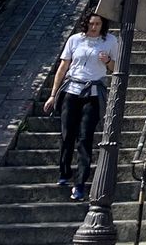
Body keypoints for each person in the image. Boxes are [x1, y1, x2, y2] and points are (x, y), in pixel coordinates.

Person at [43, 11, 119, 201]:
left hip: (93, 93)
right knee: (67, 134)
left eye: (98, 24)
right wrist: (53, 95)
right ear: (86, 24)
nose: (94, 27)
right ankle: (64, 172)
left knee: (85, 137)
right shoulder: (75, 40)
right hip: (72, 90)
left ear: (103, 25)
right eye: (91, 23)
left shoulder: (110, 41)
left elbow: (116, 68)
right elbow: (63, 67)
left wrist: (107, 61)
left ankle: (80, 184)